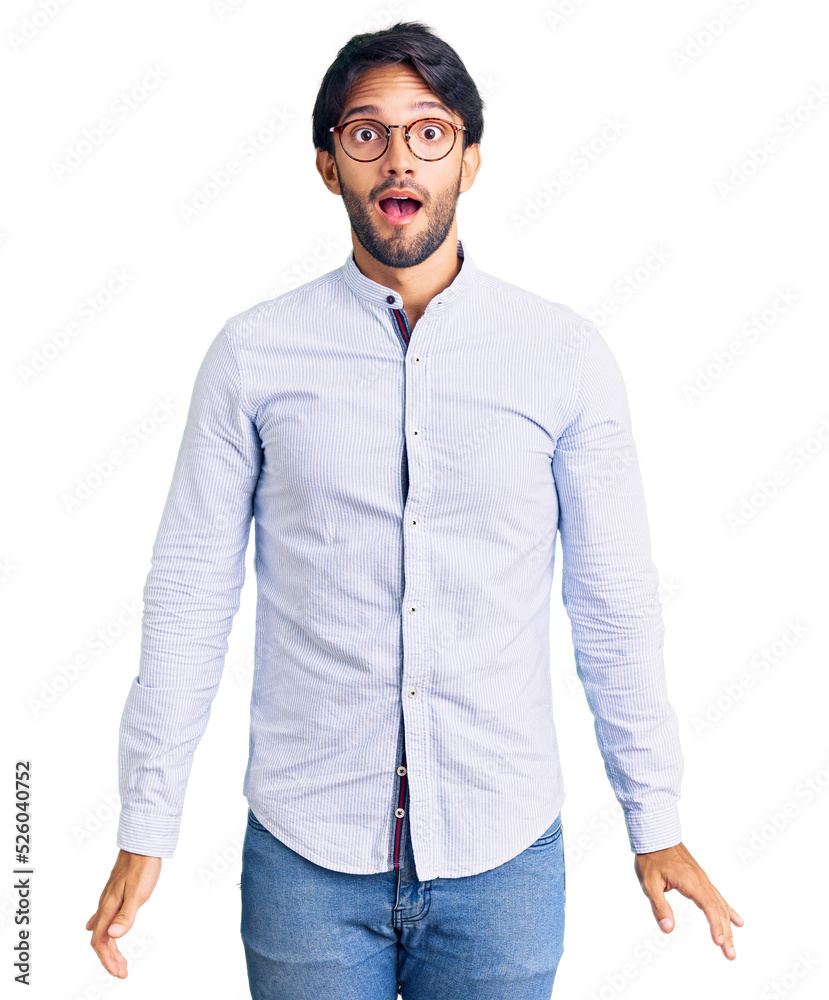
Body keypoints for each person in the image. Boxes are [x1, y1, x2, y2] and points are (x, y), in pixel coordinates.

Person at [87, 20, 743, 998]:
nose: (399, 158)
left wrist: (656, 820)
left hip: (504, 857)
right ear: (326, 165)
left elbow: (613, 605)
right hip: (305, 860)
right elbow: (189, 597)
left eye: (429, 132)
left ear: (469, 159)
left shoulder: (560, 356)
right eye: (366, 133)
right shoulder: (254, 356)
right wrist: (148, 823)